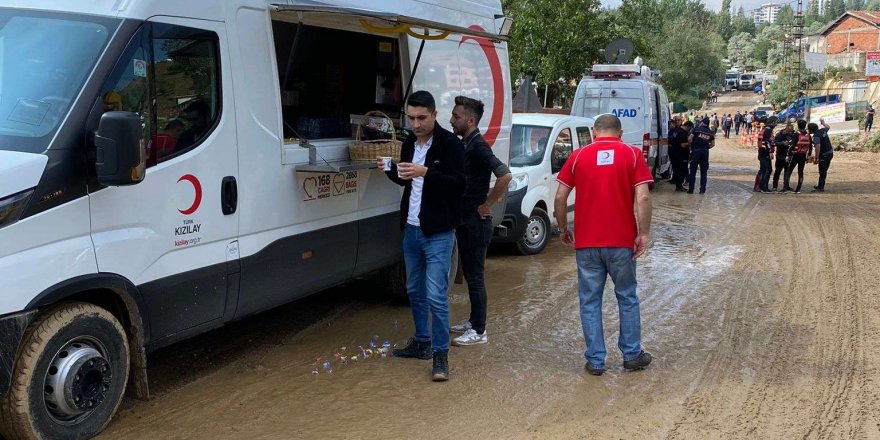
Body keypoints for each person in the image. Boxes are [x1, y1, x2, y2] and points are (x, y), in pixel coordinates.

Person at [553, 114, 654, 376]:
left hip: (586, 243)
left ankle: (596, 360)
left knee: (590, 301)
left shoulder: (577, 156)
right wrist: (643, 233)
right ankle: (631, 355)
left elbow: (560, 197)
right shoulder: (632, 154)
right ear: (619, 133)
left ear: (594, 132)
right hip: (621, 242)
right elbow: (642, 197)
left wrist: (564, 229)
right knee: (627, 297)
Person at [378, 90, 465, 381]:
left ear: (434, 114)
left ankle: (441, 356)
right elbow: (406, 179)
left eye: (421, 118)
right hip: (412, 230)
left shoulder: (450, 144)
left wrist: (426, 171)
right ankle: (421, 343)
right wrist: (390, 169)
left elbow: (458, 185)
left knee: (436, 295)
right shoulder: (407, 144)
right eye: (411, 118)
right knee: (413, 290)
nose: (415, 124)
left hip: (439, 232)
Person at [447, 96, 512, 346]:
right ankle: (473, 320)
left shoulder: (478, 146)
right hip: (465, 219)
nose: (452, 120)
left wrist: (487, 204)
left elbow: (505, 175)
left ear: (470, 120)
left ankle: (479, 331)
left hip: (476, 222)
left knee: (475, 277)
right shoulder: (467, 142)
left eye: (456, 116)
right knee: (472, 274)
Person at [782, 120, 811, 194]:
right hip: (803, 155)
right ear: (805, 125)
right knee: (800, 172)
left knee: (789, 171)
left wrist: (788, 154)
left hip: (795, 154)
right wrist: (808, 155)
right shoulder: (808, 135)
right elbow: (810, 147)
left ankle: (785, 187)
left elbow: (792, 145)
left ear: (798, 125)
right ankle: (798, 189)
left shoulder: (796, 134)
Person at [687, 117, 714, 194]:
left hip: (696, 151)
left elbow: (689, 139)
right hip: (705, 153)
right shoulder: (710, 132)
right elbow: (713, 144)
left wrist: (690, 146)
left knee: (693, 171)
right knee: (704, 172)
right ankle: (702, 190)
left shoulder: (696, 129)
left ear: (702, 123)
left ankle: (691, 190)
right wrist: (705, 148)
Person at [809, 118, 833, 192]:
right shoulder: (822, 130)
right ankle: (820, 186)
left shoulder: (816, 136)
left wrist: (816, 158)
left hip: (824, 154)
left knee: (822, 171)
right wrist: (823, 123)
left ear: (811, 130)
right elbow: (828, 127)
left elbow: (817, 147)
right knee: (823, 170)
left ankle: (821, 187)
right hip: (830, 152)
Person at [772, 122, 796, 191]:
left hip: (789, 156)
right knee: (778, 171)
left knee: (787, 172)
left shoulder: (793, 135)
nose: (790, 132)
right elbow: (774, 143)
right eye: (789, 130)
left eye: (791, 130)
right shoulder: (780, 134)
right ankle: (775, 186)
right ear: (786, 128)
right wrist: (782, 143)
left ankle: (786, 186)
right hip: (780, 155)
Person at [669, 119, 691, 192]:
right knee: (681, 171)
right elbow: (682, 145)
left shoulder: (676, 130)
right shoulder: (683, 133)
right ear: (688, 127)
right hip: (681, 155)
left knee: (676, 170)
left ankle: (678, 186)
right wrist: (690, 143)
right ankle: (679, 187)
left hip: (674, 154)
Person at [757, 120, 775, 193]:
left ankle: (760, 186)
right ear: (772, 122)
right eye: (775, 122)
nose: (776, 124)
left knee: (763, 170)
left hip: (761, 152)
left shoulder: (763, 129)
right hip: (765, 153)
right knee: (768, 170)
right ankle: (764, 187)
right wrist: (770, 151)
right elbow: (767, 141)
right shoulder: (768, 130)